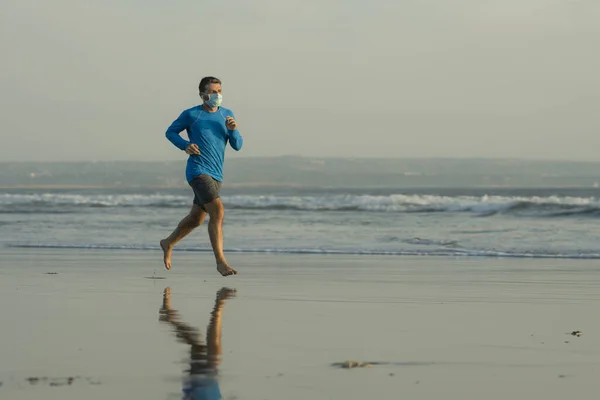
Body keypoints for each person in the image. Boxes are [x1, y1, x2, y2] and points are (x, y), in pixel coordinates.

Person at [160, 76, 243, 276]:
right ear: (203, 94)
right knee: (218, 211)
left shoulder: (227, 114)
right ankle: (220, 261)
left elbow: (238, 145)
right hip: (197, 171)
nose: (217, 95)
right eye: (213, 91)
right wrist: (185, 146)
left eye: (220, 91)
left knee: (196, 219)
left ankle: (168, 242)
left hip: (216, 174)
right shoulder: (192, 114)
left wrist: (233, 130)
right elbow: (170, 132)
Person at [159, 287, 236, 400]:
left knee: (213, 358)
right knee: (197, 343)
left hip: (198, 391)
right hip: (205, 387)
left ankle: (219, 303)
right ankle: (169, 318)